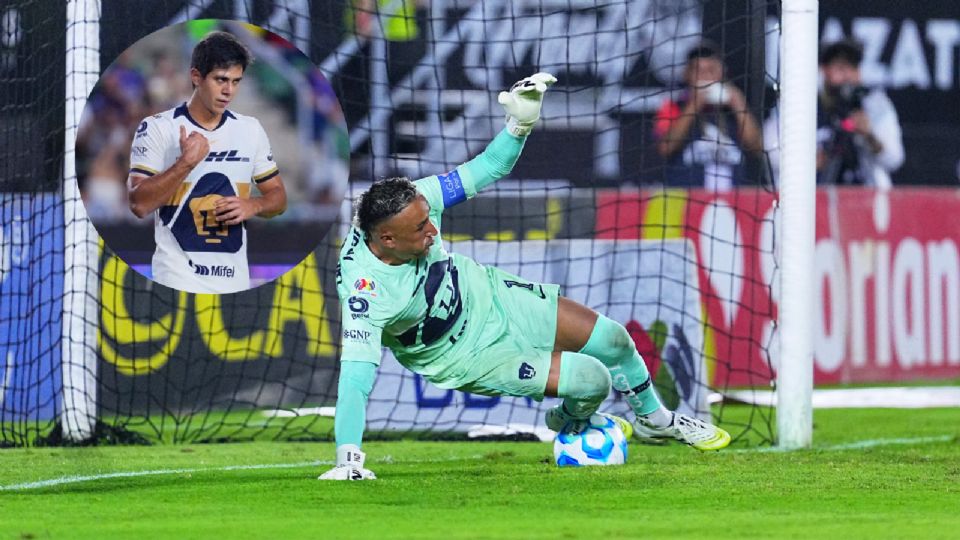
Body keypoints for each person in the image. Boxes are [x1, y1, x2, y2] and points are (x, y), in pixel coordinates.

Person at [320, 73, 731, 481]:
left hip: (487, 294)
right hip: (463, 355)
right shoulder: (365, 290)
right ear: (387, 239)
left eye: (430, 219)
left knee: (613, 339)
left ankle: (655, 420)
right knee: (592, 381)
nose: (433, 229)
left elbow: (489, 167)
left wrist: (519, 124)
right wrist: (348, 459)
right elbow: (356, 379)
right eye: (420, 228)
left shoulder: (417, 198)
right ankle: (571, 417)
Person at [127, 31, 287, 293]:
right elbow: (139, 204)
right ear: (196, 77)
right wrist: (185, 163)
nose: (228, 91)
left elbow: (279, 197)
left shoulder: (250, 129)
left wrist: (254, 204)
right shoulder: (158, 127)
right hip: (176, 282)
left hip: (234, 284)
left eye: (235, 82)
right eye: (220, 80)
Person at [653, 41, 763, 191]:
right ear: (687, 75)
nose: (705, 76)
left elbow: (756, 148)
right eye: (698, 71)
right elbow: (665, 147)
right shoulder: (673, 106)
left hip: (733, 199)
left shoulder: (733, 111)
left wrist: (739, 104)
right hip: (689, 197)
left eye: (711, 70)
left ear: (722, 73)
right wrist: (694, 105)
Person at [814, 39, 904, 188]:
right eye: (840, 68)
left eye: (853, 67)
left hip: (867, 193)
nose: (847, 75)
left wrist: (869, 136)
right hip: (820, 193)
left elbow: (895, 160)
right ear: (824, 70)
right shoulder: (809, 106)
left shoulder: (875, 104)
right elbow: (774, 153)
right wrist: (809, 162)